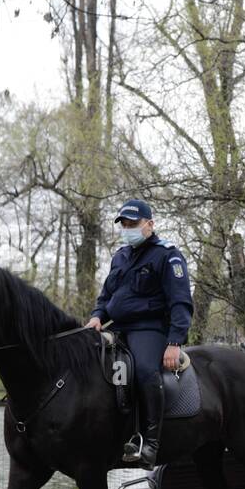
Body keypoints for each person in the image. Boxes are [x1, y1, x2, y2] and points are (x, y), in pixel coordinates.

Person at [87, 199, 193, 467]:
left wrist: (174, 342)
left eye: (132, 224)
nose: (127, 228)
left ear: (149, 224)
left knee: (145, 370)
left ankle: (151, 442)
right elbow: (107, 296)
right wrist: (98, 317)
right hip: (118, 327)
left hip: (150, 328)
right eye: (123, 224)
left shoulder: (167, 254)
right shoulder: (120, 256)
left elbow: (180, 301)